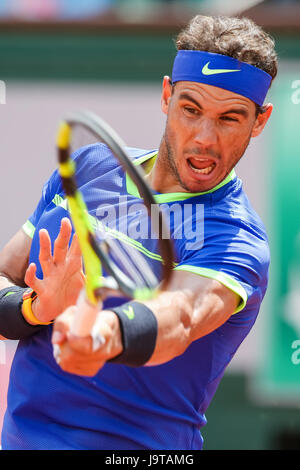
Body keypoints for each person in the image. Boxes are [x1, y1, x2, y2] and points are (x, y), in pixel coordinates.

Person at [0, 15, 277, 450]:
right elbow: (6, 276)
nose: (205, 137)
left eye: (230, 118)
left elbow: (180, 317)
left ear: (259, 121)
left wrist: (102, 333)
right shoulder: (90, 167)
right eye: (191, 109)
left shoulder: (237, 238)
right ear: (167, 96)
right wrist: (37, 308)